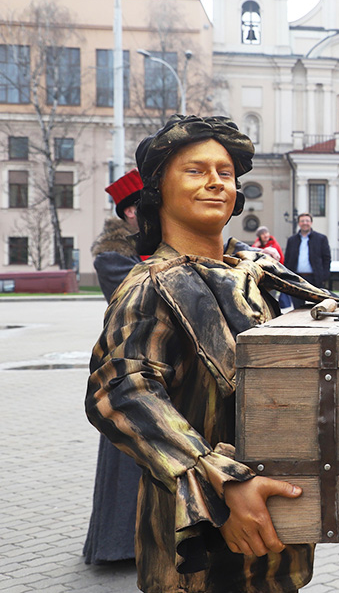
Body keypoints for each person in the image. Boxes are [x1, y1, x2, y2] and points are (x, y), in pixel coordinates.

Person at [85, 115, 335, 592]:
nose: (215, 182)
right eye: (196, 171)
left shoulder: (251, 273)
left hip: (276, 535)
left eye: (225, 173)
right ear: (159, 190)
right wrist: (221, 479)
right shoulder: (151, 286)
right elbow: (120, 392)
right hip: (199, 545)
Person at [83, 169, 144, 565]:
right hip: (125, 368)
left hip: (158, 367)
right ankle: (117, 545)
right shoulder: (112, 258)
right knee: (125, 461)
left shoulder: (154, 251)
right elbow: (144, 292)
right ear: (129, 213)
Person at [284, 212, 331, 297]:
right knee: (298, 307)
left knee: (316, 306)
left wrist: (324, 276)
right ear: (299, 223)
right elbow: (287, 258)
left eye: (307, 221)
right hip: (296, 278)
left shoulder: (321, 239)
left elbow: (326, 259)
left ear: (311, 223)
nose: (305, 223)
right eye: (302, 221)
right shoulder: (292, 240)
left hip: (315, 278)